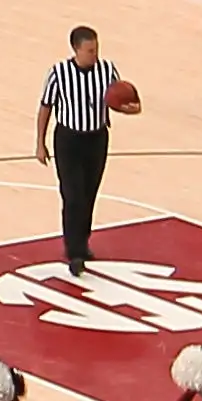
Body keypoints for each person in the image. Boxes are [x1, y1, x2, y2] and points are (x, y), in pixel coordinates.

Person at [36, 24, 130, 273]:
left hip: (97, 139)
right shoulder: (58, 73)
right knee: (73, 195)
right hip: (68, 141)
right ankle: (74, 250)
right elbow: (45, 107)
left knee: (89, 194)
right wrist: (40, 143)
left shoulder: (108, 70)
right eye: (89, 50)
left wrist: (129, 107)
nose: (94, 55)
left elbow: (121, 99)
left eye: (96, 49)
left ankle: (82, 241)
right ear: (76, 50)